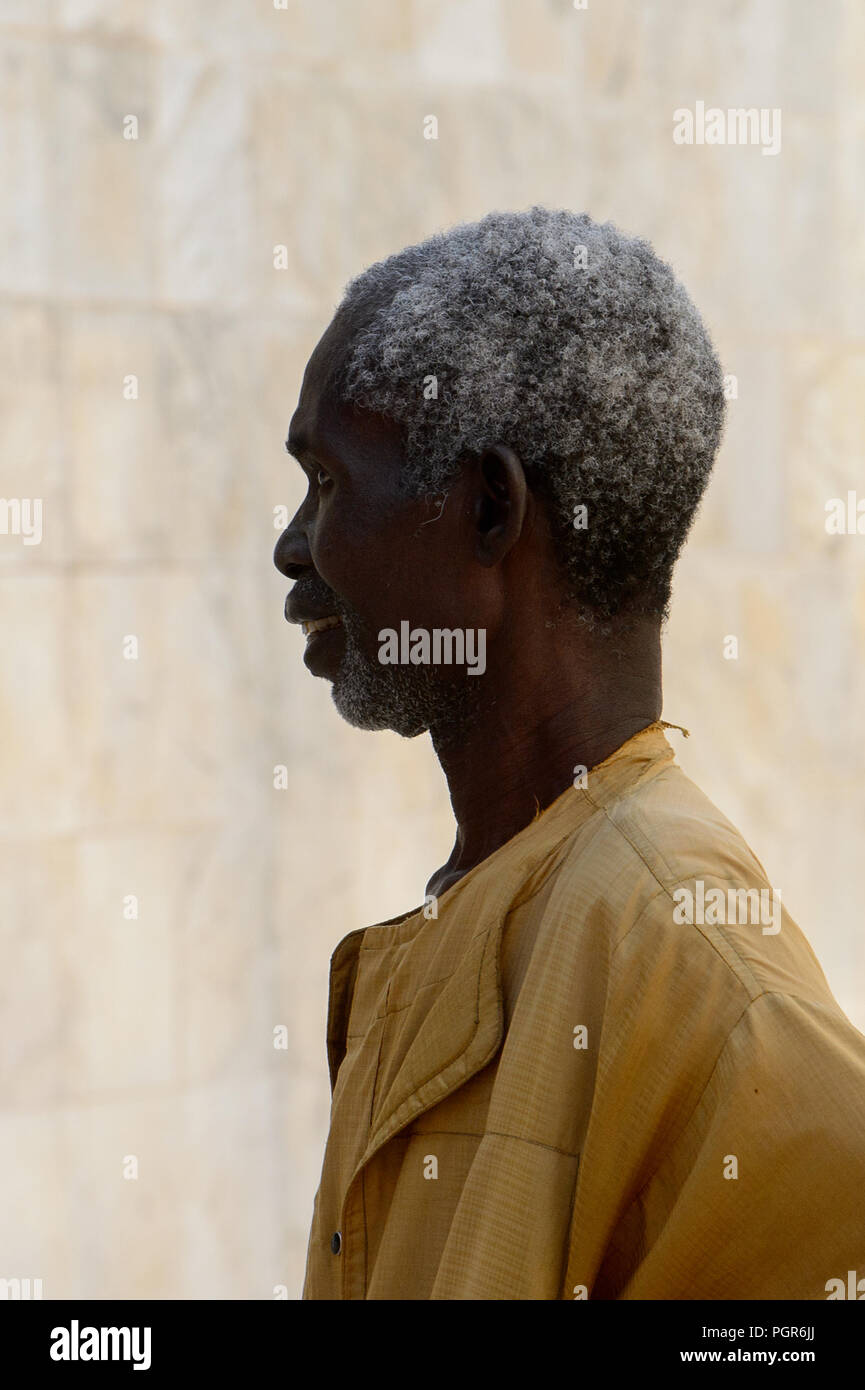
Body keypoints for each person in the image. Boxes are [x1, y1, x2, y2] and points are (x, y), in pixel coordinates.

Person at [273, 206, 865, 1300]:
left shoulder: (699, 969)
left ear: (493, 510)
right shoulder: (504, 906)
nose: (292, 546)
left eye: (330, 480)